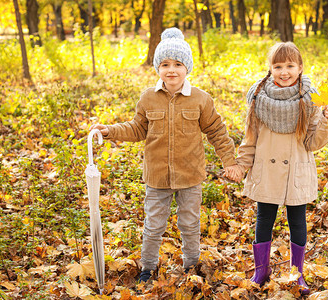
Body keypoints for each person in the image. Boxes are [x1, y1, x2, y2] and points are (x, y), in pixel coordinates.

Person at [90, 28, 239, 283]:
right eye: (165, 64)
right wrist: (110, 130)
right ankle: (147, 268)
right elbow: (137, 128)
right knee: (153, 225)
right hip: (157, 176)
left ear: (187, 68)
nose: (172, 70)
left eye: (178, 64)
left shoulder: (201, 100)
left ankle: (191, 266)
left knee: (190, 225)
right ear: (158, 67)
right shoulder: (149, 98)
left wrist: (230, 162)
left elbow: (217, 131)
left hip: (190, 176)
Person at [225, 41, 328, 295]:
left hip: (297, 171)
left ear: (300, 68)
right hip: (267, 171)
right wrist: (242, 165)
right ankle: (261, 269)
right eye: (278, 66)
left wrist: (327, 121)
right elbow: (249, 138)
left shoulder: (310, 100)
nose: (284, 72)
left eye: (289, 66)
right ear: (270, 68)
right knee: (264, 219)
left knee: (297, 222)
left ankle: (297, 273)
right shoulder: (258, 98)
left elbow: (313, 143)